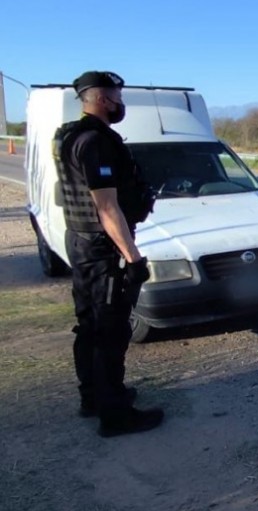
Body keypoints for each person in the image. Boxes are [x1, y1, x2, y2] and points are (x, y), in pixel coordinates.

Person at [55, 70, 163, 437]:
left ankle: (94, 398)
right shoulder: (95, 142)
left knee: (89, 326)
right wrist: (132, 258)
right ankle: (116, 415)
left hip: (82, 242)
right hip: (103, 249)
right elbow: (106, 207)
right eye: (117, 96)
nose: (122, 103)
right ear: (102, 99)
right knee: (110, 331)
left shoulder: (69, 135)